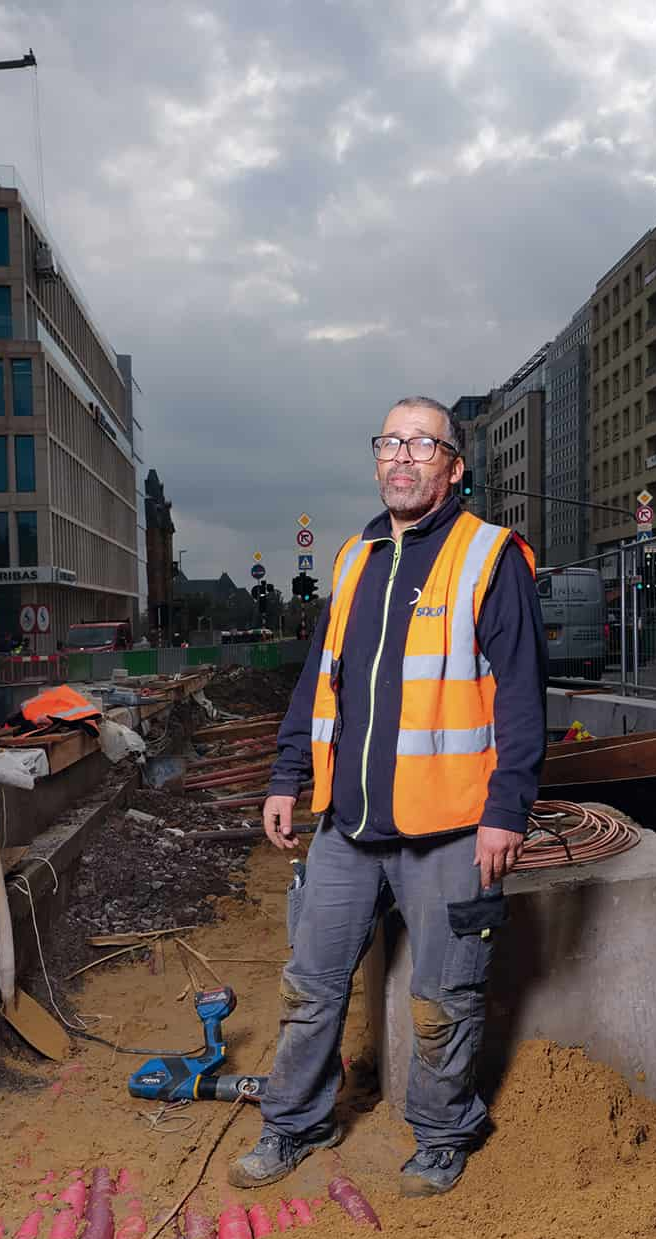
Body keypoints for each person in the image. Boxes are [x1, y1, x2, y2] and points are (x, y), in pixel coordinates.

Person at [229, 396, 547, 1197]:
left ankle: (443, 1132)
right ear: (377, 460)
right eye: (390, 443)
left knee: (444, 997)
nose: (402, 458)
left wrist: (506, 810)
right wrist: (285, 775)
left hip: (449, 827)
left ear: (453, 465)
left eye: (422, 444)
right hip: (348, 823)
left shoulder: (489, 556)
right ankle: (294, 1124)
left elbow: (520, 695)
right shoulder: (356, 559)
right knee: (310, 987)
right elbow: (317, 681)